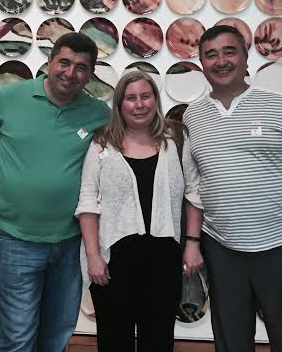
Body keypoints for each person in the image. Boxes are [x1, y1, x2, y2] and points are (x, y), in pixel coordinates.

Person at [183, 24, 282, 352]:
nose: (221, 61)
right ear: (201, 64)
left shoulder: (279, 105)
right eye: (211, 55)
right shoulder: (193, 116)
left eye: (229, 51)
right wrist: (194, 242)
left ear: (246, 58)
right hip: (223, 251)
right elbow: (195, 185)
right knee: (231, 340)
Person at [0, 33, 110, 352]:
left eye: (81, 67)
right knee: (17, 338)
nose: (70, 73)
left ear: (90, 73)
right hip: (16, 239)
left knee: (57, 336)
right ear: (50, 61)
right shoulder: (8, 99)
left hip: (70, 243)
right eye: (64, 63)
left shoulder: (98, 113)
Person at [75, 70, 204, 352]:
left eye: (145, 96)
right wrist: (94, 257)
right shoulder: (102, 142)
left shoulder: (176, 139)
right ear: (119, 104)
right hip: (113, 261)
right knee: (114, 340)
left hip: (164, 260)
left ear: (155, 99)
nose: (139, 104)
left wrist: (193, 244)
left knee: (158, 339)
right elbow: (88, 201)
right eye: (131, 98)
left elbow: (193, 192)